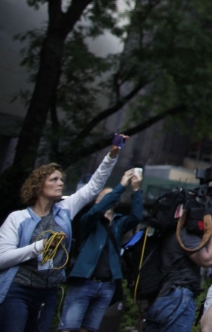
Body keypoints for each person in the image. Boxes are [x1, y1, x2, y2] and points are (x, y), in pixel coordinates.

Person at [0, 136, 123, 332]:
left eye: (61, 180)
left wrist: (111, 156)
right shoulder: (18, 218)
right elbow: (2, 259)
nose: (60, 183)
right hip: (18, 291)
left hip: (47, 293)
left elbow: (93, 187)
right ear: (39, 186)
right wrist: (38, 247)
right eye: (54, 179)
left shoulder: (65, 210)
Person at [59, 168, 144, 332]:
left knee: (90, 328)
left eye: (114, 196)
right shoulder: (89, 220)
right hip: (85, 280)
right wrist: (120, 185)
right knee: (68, 328)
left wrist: (135, 189)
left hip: (106, 284)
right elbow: (97, 211)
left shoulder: (118, 223)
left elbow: (136, 216)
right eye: (107, 196)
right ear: (99, 201)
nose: (112, 198)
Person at [145, 205, 212, 331]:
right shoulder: (186, 236)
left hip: (163, 296)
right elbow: (207, 259)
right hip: (178, 297)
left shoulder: (171, 234)